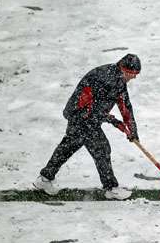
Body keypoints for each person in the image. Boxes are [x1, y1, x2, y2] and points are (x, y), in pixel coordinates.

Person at [34, 54, 141, 200]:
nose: (134, 78)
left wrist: (132, 129)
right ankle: (110, 188)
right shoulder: (105, 79)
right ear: (124, 69)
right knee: (102, 149)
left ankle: (44, 179)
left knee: (67, 148)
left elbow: (125, 106)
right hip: (81, 116)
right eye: (132, 74)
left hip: (85, 117)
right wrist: (113, 121)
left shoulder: (118, 80)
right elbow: (93, 108)